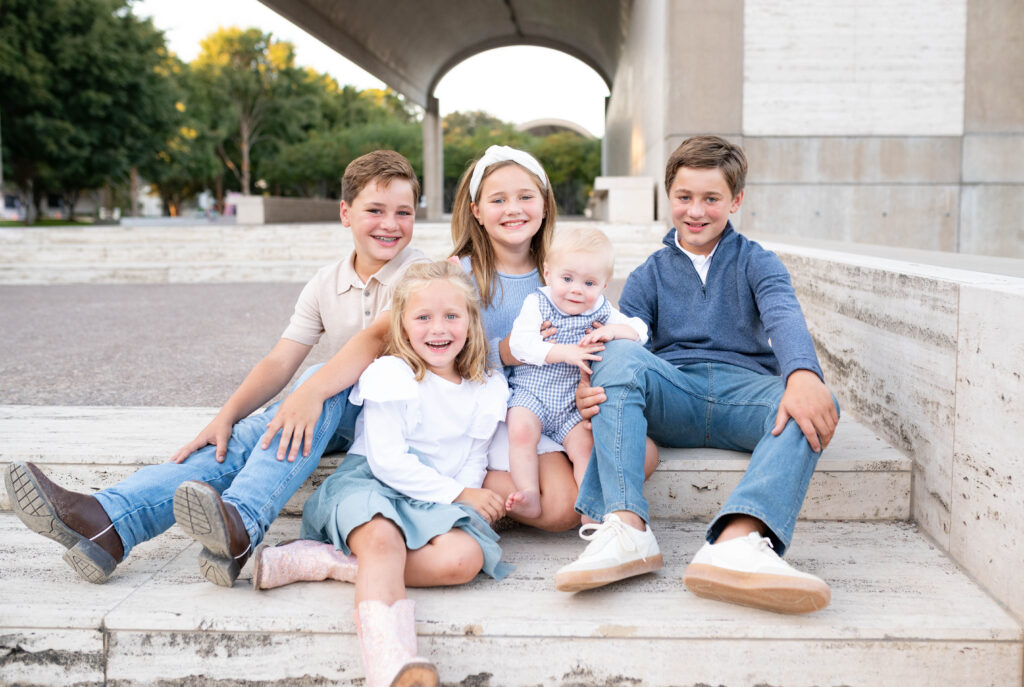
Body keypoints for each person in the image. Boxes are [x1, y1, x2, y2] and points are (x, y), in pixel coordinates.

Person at [4, 150, 426, 587]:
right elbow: (280, 359)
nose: (390, 224)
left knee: (321, 380)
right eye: (375, 210)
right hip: (334, 416)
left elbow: (374, 341)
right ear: (345, 213)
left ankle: (244, 517)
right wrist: (225, 417)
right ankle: (110, 522)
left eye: (404, 212)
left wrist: (311, 390)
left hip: (396, 416)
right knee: (241, 439)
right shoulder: (326, 282)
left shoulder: (421, 273)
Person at [554, 135, 840, 614]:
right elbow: (628, 336)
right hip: (675, 392)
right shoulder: (648, 274)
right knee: (617, 351)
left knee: (815, 400)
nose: (696, 211)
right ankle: (626, 528)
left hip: (743, 394)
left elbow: (784, 316)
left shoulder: (757, 261)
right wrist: (593, 383)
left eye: (711, 198)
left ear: (736, 200)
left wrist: (803, 374)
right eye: (684, 197)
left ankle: (737, 541)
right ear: (669, 197)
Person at [252, 261, 510, 687]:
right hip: (373, 482)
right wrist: (458, 494)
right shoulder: (391, 374)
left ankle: (330, 562)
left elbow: (474, 454)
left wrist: (467, 495)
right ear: (402, 324)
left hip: (434, 495)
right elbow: (388, 461)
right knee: (383, 540)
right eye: (423, 317)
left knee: (464, 559)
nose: (438, 329)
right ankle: (391, 664)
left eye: (451, 316)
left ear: (471, 321)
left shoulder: (488, 386)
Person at [504, 227, 647, 519]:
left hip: (573, 405)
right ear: (548, 273)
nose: (577, 289)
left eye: (589, 283)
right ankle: (529, 493)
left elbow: (641, 331)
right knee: (520, 431)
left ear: (604, 285)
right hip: (533, 395)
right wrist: (564, 352)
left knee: (585, 448)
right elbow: (519, 344)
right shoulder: (537, 303)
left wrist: (613, 330)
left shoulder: (601, 310)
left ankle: (591, 509)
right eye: (567, 279)